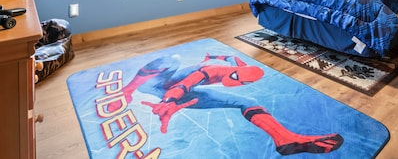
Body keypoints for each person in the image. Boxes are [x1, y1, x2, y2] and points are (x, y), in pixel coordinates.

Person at [119, 53, 344, 156]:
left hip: (179, 91)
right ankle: (129, 88)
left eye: (241, 81)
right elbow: (189, 82)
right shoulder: (210, 71)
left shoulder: (238, 64)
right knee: (173, 59)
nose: (235, 82)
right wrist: (169, 100)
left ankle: (284, 140)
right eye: (235, 79)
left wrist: (213, 55)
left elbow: (230, 59)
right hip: (157, 85)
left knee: (248, 101)